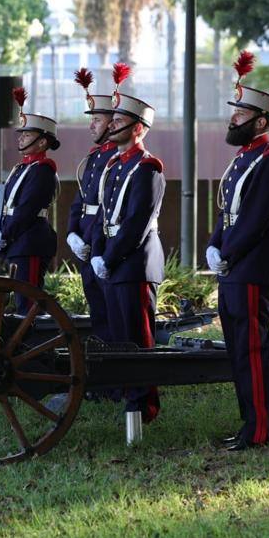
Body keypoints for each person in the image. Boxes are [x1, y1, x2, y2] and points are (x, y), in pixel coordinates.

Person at [205, 51, 269, 451]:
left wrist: (228, 253)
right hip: (236, 263)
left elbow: (255, 219)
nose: (233, 118)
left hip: (254, 263)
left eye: (240, 113)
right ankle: (249, 423)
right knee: (238, 349)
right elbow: (228, 213)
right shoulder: (244, 159)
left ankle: (259, 428)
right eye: (234, 111)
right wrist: (213, 245)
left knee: (253, 348)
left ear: (260, 121)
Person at [90, 63, 165, 423]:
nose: (112, 125)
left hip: (134, 264)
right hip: (113, 262)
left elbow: (136, 224)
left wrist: (109, 257)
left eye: (119, 120)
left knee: (138, 339)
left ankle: (143, 407)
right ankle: (128, 401)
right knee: (120, 338)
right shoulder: (114, 166)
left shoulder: (147, 168)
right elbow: (102, 215)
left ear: (138, 128)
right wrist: (96, 252)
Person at [65, 67, 117, 340]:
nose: (91, 126)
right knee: (98, 315)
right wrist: (72, 233)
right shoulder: (95, 156)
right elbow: (81, 199)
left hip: (104, 246)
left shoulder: (116, 158)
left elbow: (108, 207)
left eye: (97, 119)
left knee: (112, 318)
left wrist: (95, 247)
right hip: (86, 243)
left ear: (112, 123)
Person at [0, 86, 60, 312]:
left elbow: (27, 210)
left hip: (29, 242)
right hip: (16, 241)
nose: (21, 138)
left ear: (42, 142)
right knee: (17, 302)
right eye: (21, 134)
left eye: (27, 134)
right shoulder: (22, 168)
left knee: (28, 303)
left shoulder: (42, 170)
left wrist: (5, 235)